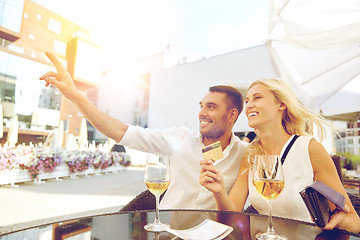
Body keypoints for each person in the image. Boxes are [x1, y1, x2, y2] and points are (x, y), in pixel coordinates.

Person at [39, 52, 246, 210]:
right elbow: (120, 131)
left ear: (232, 115)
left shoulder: (246, 155)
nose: (201, 113)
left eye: (211, 107)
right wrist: (75, 95)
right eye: (201, 106)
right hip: (167, 232)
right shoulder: (179, 139)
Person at [199, 78, 360, 233]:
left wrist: (340, 220)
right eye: (247, 100)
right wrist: (219, 191)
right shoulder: (251, 152)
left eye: (257, 98)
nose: (249, 105)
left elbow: (355, 223)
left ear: (282, 104)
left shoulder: (309, 148)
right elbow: (232, 213)